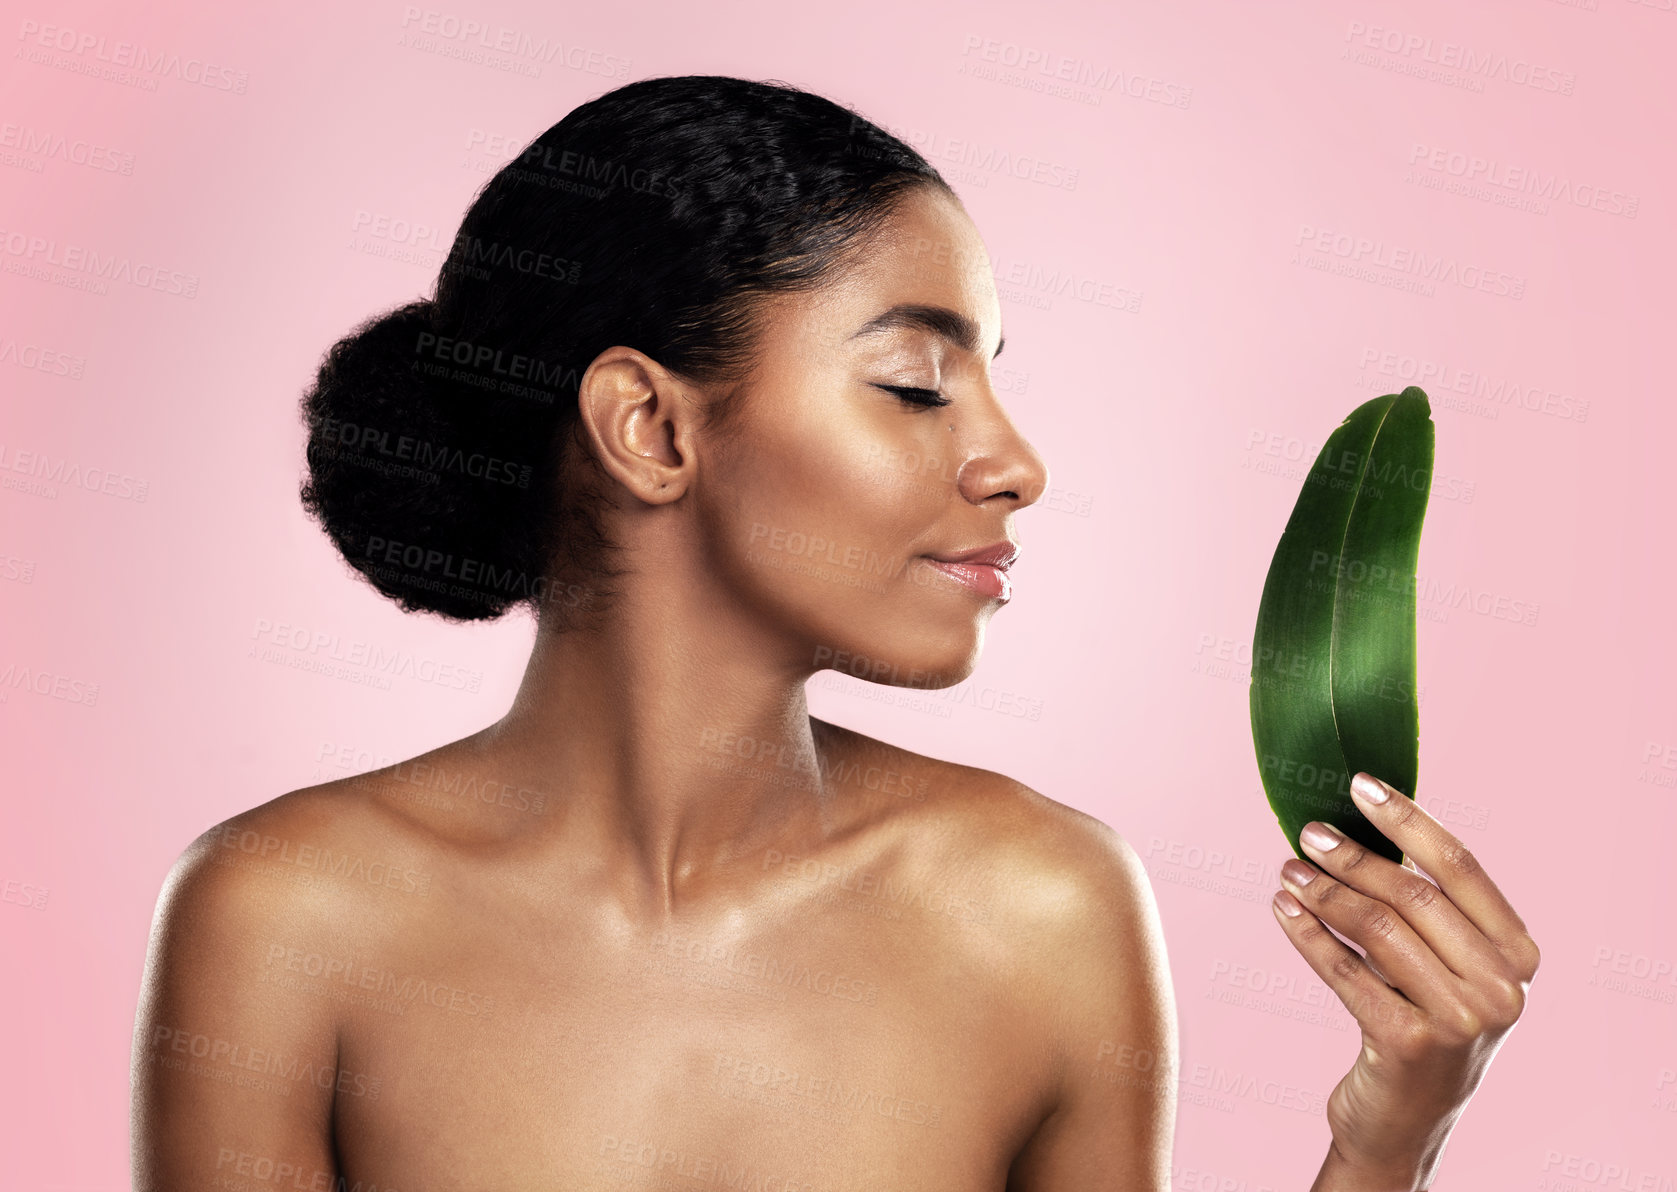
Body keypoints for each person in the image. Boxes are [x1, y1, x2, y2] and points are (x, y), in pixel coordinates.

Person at [130, 75, 1538, 1191]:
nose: (1014, 462)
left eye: (992, 377)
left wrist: (1381, 1141)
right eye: (919, 382)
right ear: (651, 425)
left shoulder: (1040, 907)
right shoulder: (284, 915)